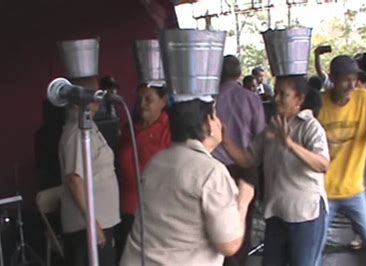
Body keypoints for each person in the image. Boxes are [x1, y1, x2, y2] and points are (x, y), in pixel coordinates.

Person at [120, 99, 255, 265]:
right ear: (208, 125)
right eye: (215, 116)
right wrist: (243, 202)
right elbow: (229, 244)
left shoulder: (157, 161)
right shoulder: (211, 171)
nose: (220, 122)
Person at [222, 75, 329, 266]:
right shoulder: (273, 126)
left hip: (304, 215)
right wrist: (223, 138)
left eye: (283, 94)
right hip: (276, 212)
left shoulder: (311, 127)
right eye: (276, 92)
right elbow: (248, 159)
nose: (276, 98)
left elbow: (322, 164)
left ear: (299, 99)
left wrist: (289, 144)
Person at [318, 55, 366, 266]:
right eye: (345, 79)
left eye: (354, 79)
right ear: (332, 78)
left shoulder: (364, 98)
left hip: (354, 188)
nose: (351, 85)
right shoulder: (320, 104)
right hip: (324, 190)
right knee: (315, 242)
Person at [59, 77, 120, 266]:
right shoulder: (76, 132)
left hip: (102, 222)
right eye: (93, 96)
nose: (98, 101)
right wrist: (92, 223)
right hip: (87, 227)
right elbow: (74, 179)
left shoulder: (89, 126)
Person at [214, 55, 266, 266]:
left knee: (215, 223)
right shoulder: (250, 98)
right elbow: (260, 135)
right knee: (241, 223)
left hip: (215, 169)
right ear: (238, 74)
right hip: (245, 168)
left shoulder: (211, 98)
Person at [116, 82, 171, 255]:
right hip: (126, 208)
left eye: (149, 99)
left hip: (155, 211)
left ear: (163, 101)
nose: (142, 104)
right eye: (139, 99)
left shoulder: (169, 129)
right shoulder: (129, 127)